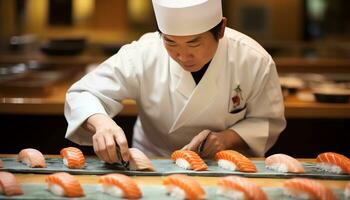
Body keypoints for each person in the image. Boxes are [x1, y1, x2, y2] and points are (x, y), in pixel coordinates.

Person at [64, 0, 286, 164]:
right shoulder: (143, 53)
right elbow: (83, 93)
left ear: (220, 29)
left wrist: (228, 138)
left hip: (225, 165)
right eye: (171, 43)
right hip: (151, 163)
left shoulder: (253, 59)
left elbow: (267, 121)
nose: (182, 56)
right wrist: (102, 123)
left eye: (194, 44)